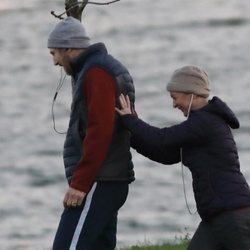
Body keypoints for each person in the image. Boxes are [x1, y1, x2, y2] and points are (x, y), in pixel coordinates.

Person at [116, 65, 250, 250]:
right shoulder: (199, 125)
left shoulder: (205, 122)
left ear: (190, 93)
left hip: (232, 214)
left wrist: (130, 120)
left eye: (174, 97)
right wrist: (129, 135)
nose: (174, 104)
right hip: (214, 216)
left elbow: (162, 138)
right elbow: (165, 154)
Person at [47, 16, 135, 250]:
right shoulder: (98, 68)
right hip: (109, 179)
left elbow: (100, 130)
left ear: (68, 47)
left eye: (54, 53)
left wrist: (80, 183)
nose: (55, 61)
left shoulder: (97, 72)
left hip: (100, 180)